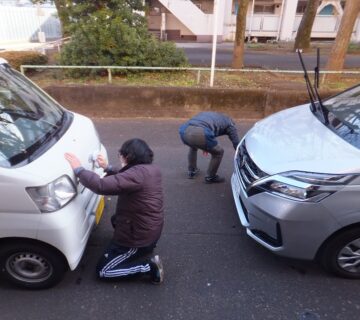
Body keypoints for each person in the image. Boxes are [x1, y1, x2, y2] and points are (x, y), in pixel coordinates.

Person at [65, 138, 164, 284]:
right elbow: (126, 176)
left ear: (128, 157)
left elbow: (101, 185)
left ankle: (149, 268)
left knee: (104, 272)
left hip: (138, 238)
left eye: (121, 155)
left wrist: (79, 169)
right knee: (115, 219)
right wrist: (107, 167)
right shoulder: (151, 170)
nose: (120, 158)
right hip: (151, 228)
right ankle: (146, 247)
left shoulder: (136, 175)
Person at [179, 111, 240, 183]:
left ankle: (192, 171)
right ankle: (210, 177)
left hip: (183, 130)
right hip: (200, 133)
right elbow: (236, 144)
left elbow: (206, 127)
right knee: (219, 152)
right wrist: (241, 156)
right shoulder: (230, 124)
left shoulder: (212, 115)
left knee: (193, 146)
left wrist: (206, 146)